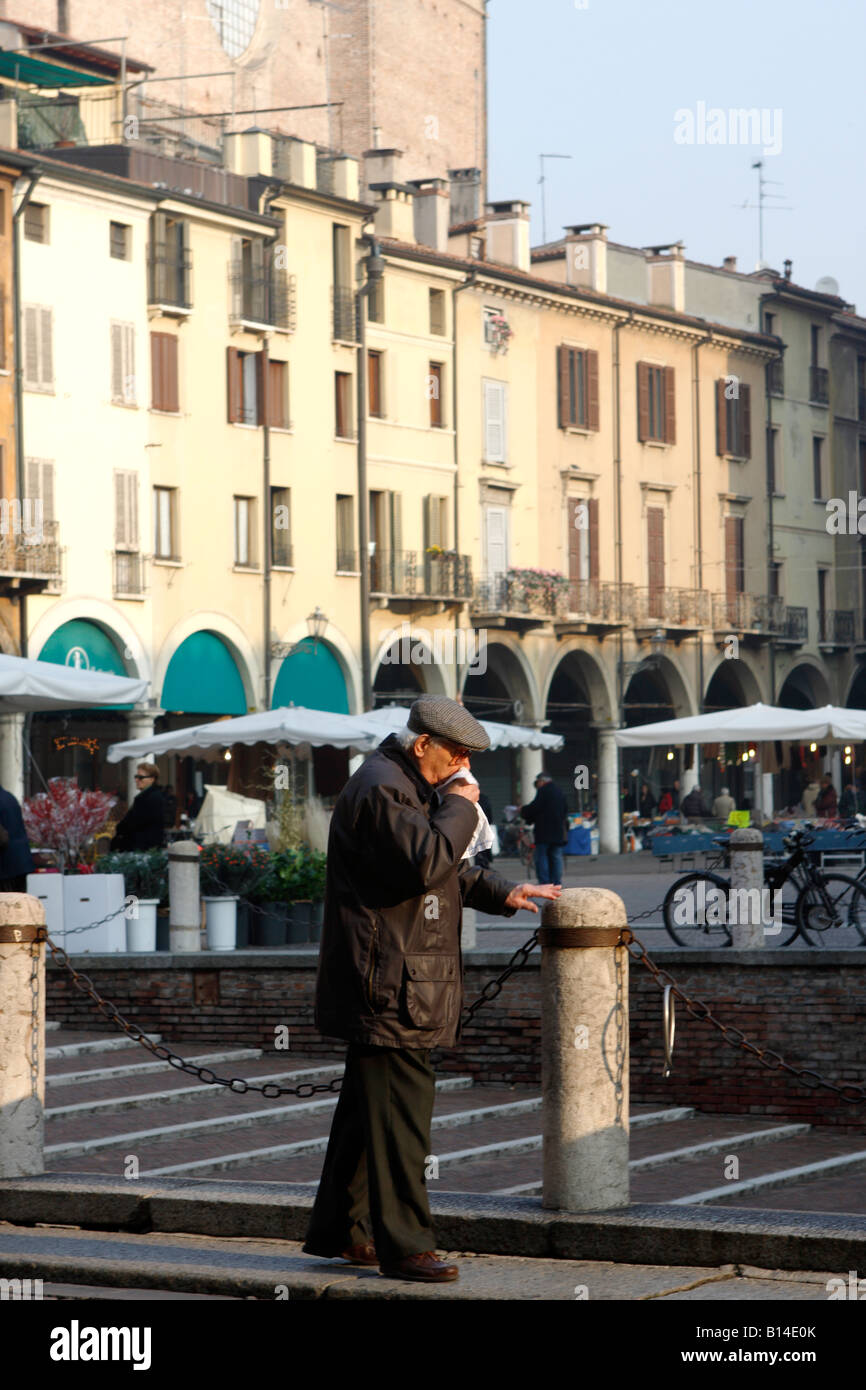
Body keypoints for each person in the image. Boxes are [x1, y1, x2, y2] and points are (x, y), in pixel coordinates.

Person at [303, 695, 560, 1284]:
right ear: (424, 745)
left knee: (369, 1114)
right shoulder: (383, 787)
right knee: (401, 1116)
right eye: (459, 753)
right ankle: (406, 1247)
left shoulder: (399, 784)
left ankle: (346, 1231)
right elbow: (427, 859)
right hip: (389, 980)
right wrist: (462, 806)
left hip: (396, 975)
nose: (465, 765)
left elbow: (432, 863)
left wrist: (504, 893)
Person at [520, 772, 569, 886]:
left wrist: (523, 811)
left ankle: (545, 882)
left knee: (542, 856)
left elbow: (535, 808)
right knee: (556, 857)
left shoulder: (543, 791)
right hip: (558, 831)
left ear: (541, 781)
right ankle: (556, 882)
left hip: (544, 831)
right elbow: (565, 810)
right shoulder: (559, 791)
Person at [111, 763, 166, 851]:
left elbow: (136, 823)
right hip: (142, 847)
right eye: (136, 776)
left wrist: (120, 828)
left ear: (152, 779)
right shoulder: (147, 796)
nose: (136, 780)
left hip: (142, 849)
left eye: (140, 777)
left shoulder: (150, 798)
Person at [0, 781, 35, 891]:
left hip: (5, 865)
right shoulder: (9, 797)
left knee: (7, 905)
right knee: (19, 903)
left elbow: (2, 839)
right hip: (20, 862)